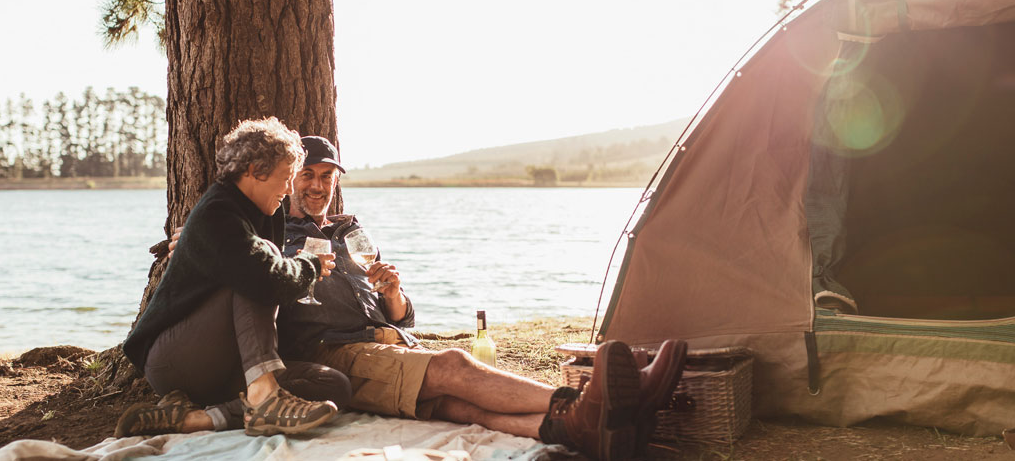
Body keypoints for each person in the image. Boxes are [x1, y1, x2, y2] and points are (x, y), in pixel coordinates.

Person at [277, 136, 689, 460]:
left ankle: (580, 428)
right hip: (336, 352)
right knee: (454, 366)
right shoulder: (278, 240)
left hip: (390, 342)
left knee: (461, 407)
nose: (318, 185)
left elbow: (401, 320)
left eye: (327, 176)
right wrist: (298, 267)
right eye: (308, 175)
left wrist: (394, 292)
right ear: (291, 178)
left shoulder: (350, 231)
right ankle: (594, 402)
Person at [115, 118, 351, 438]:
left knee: (331, 384)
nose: (287, 189)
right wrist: (308, 265)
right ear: (254, 170)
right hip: (176, 360)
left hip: (228, 366)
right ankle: (265, 398)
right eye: (285, 178)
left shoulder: (265, 213)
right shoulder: (218, 213)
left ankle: (199, 419)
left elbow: (274, 283)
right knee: (260, 267)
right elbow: (269, 281)